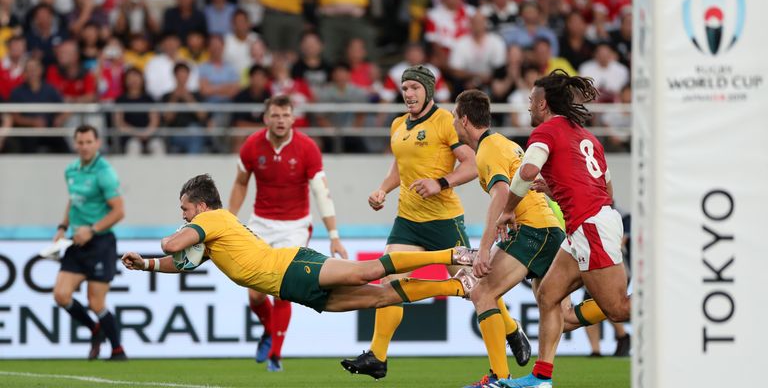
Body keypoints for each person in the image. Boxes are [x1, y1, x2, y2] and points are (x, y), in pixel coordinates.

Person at [121, 174, 480, 348]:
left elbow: (174, 247)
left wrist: (165, 241)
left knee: (365, 271)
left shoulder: (210, 219)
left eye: (185, 209)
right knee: (379, 297)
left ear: (199, 206)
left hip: (292, 265)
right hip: (291, 286)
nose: (183, 215)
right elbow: (182, 263)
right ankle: (455, 284)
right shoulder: (212, 233)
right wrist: (146, 265)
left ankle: (451, 254)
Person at [340, 65, 501, 380]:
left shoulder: (446, 122)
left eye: (414, 87)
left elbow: (473, 164)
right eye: (404, 88)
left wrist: (440, 183)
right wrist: (382, 190)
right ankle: (378, 356)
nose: (408, 94)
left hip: (444, 220)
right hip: (408, 220)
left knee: (477, 289)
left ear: (428, 90)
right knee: (390, 282)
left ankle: (510, 331)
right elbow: (400, 167)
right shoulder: (398, 124)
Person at [452, 90, 605, 387]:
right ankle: (633, 306)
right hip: (549, 230)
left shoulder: (487, 150)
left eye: (455, 118)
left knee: (482, 293)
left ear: (465, 120)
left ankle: (499, 378)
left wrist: (483, 248)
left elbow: (500, 193)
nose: (454, 124)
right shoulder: (505, 144)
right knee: (567, 315)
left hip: (534, 231)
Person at [496, 70, 630, 387]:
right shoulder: (587, 138)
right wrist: (557, 188)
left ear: (543, 104)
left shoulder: (546, 131)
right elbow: (607, 192)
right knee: (547, 296)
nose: (528, 106)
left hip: (591, 225)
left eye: (531, 100)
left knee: (618, 309)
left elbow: (526, 170)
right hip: (588, 224)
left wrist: (508, 209)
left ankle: (670, 301)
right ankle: (541, 378)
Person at [227, 95, 349, 372]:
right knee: (256, 295)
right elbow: (240, 183)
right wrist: (229, 220)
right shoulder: (251, 145)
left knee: (282, 290)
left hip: (295, 226)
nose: (280, 120)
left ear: (293, 118)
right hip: (259, 224)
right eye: (275, 115)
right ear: (266, 118)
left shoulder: (307, 148)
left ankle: (275, 356)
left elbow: (321, 192)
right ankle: (269, 332)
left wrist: (334, 235)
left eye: (285, 115)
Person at [52, 125, 127, 361]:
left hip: (100, 242)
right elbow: (73, 201)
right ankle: (96, 330)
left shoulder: (104, 172)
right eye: (80, 142)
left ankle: (118, 351)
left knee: (96, 303)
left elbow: (119, 212)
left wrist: (92, 230)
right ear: (75, 144)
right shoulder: (71, 170)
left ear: (97, 143)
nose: (84, 147)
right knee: (61, 295)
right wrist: (62, 227)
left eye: (88, 142)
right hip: (76, 242)